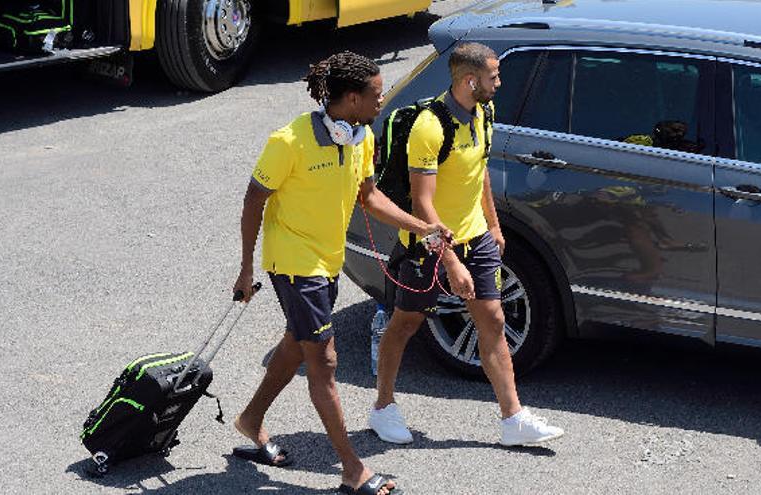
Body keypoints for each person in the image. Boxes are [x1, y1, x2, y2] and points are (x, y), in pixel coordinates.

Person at [232, 51, 448, 495]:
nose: (382, 100)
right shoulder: (288, 141)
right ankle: (353, 469)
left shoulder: (360, 137)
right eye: (376, 93)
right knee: (324, 360)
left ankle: (250, 420)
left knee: (296, 345)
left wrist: (421, 226)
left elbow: (369, 198)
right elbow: (254, 200)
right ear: (351, 98)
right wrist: (245, 267)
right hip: (293, 262)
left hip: (326, 261)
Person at [369, 43, 565, 446]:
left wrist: (493, 226)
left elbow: (480, 173)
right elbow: (423, 203)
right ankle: (383, 408)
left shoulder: (484, 112)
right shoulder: (430, 127)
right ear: (469, 80)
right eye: (494, 76)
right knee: (406, 323)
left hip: (475, 236)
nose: (500, 82)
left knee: (492, 319)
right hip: (428, 243)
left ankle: (513, 420)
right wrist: (451, 261)